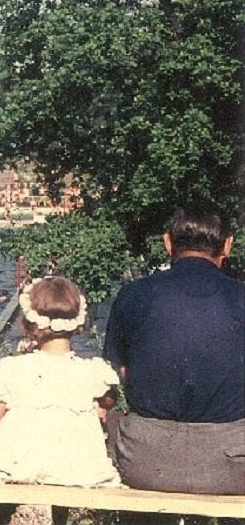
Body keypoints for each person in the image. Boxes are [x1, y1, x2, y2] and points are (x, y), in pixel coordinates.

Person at [103, 204, 244, 497]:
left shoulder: (134, 294)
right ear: (228, 245)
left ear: (167, 242)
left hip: (142, 462)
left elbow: (121, 372)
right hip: (233, 465)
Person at [0, 277, 120, 487]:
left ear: (28, 324)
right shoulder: (92, 371)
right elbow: (107, 405)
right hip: (77, 470)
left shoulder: (13, 369)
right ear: (79, 324)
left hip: (18, 465)